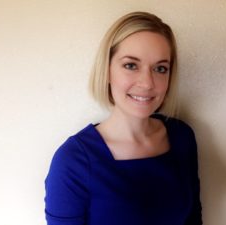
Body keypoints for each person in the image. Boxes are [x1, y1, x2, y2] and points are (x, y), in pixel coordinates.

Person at [44, 11, 202, 225]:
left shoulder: (182, 137)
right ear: (107, 70)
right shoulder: (73, 161)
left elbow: (193, 218)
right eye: (131, 65)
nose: (147, 82)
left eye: (160, 68)